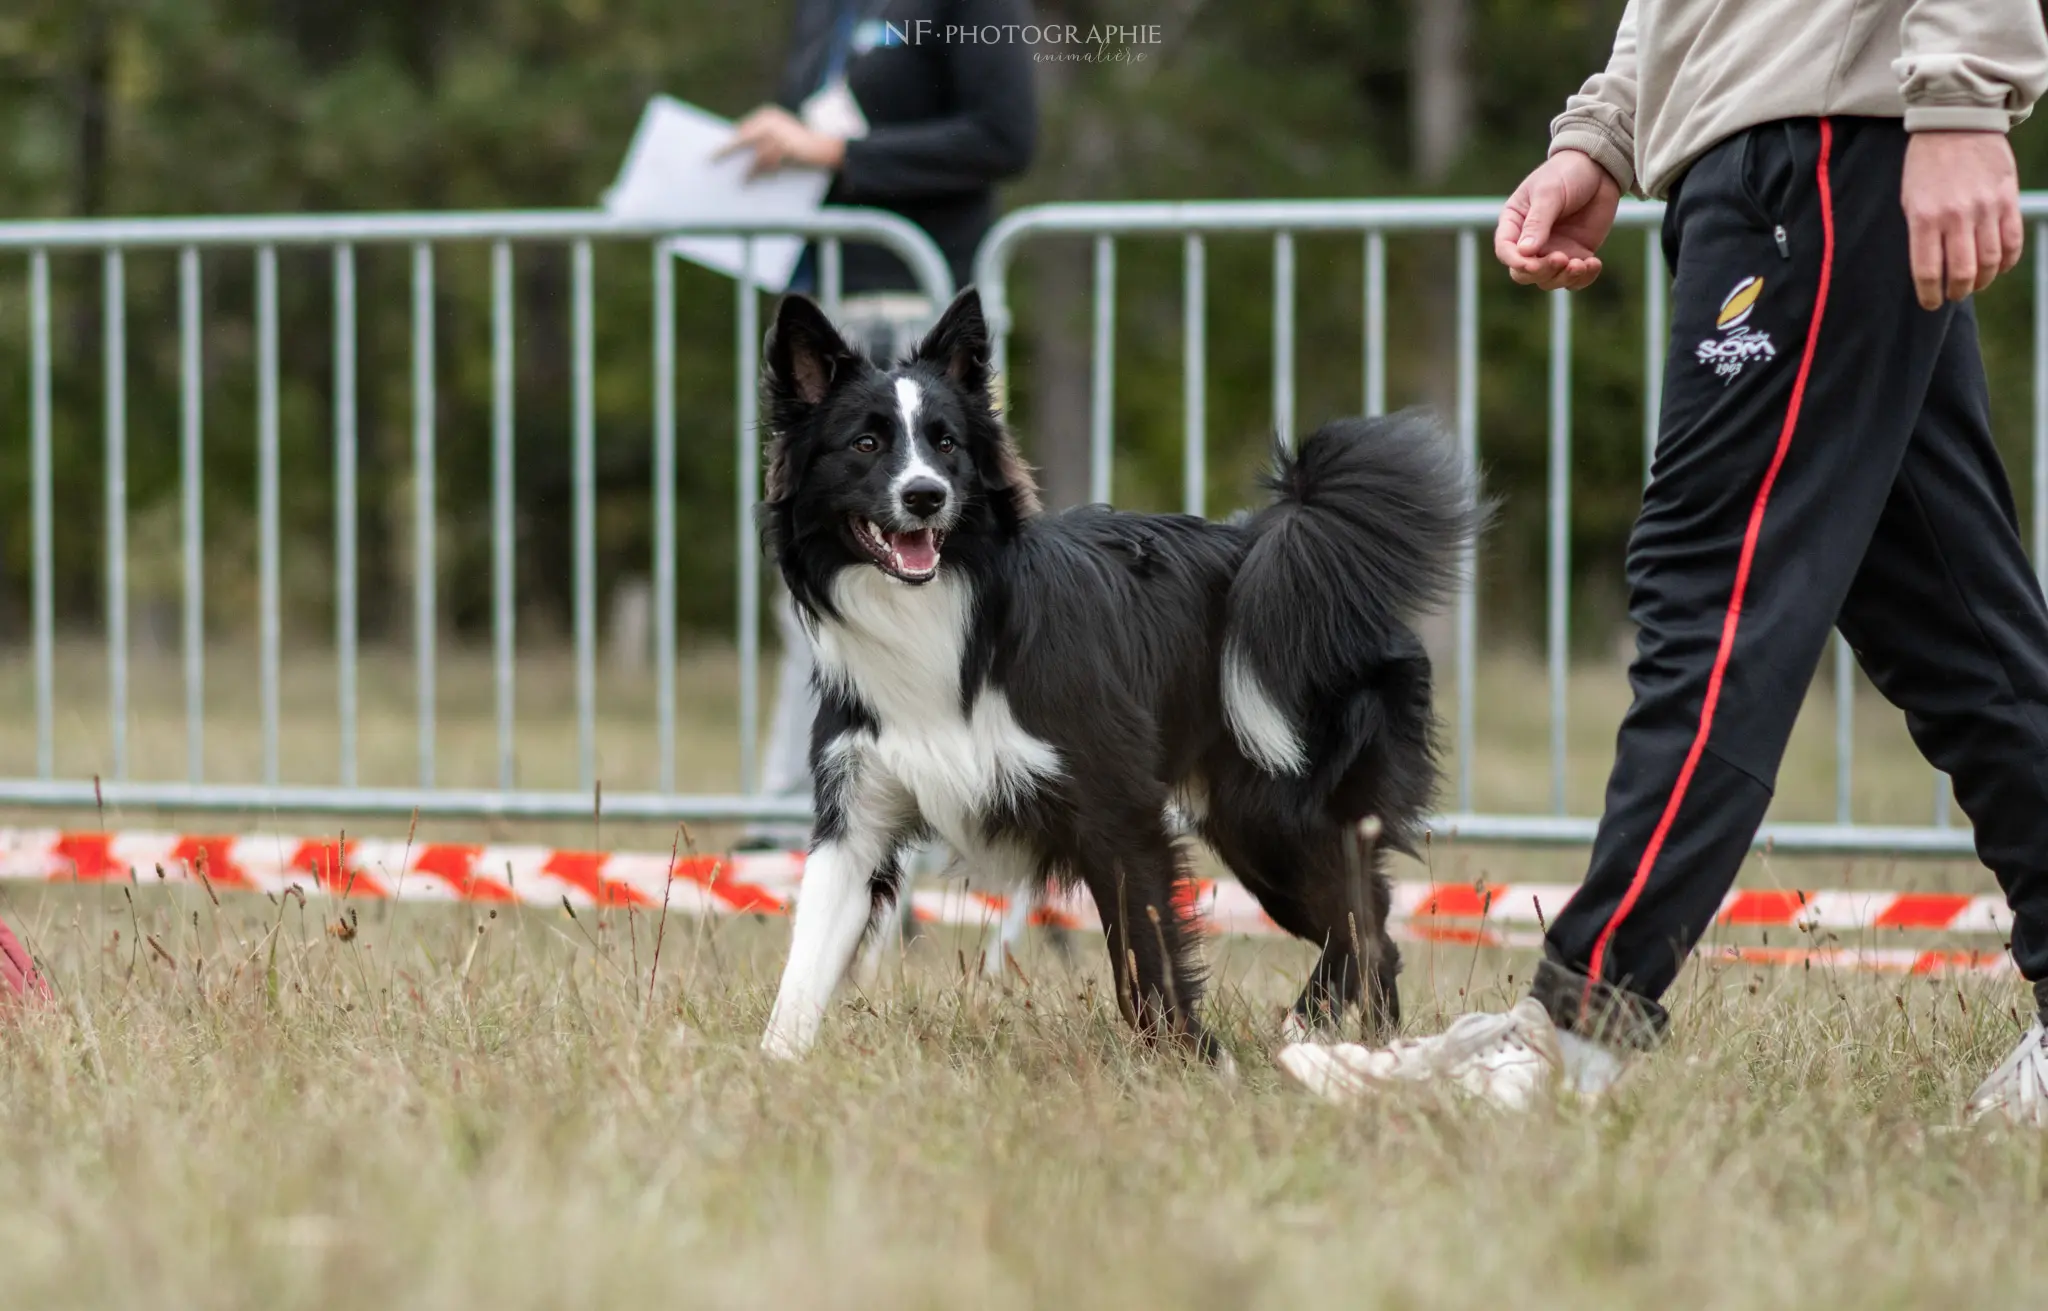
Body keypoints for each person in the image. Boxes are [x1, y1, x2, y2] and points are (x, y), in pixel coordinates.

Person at [1279, 0, 2048, 1126]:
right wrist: (1603, 131)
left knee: (1711, 588)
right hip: (1765, 140)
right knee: (1953, 627)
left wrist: (1961, 91)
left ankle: (1577, 1023)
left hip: (1821, 139)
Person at [725, 3, 1037, 865]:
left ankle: (935, 818)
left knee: (941, 586)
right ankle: (805, 809)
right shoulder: (820, 9)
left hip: (925, 309)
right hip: (827, 313)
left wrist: (834, 153)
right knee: (817, 578)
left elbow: (1005, 138)